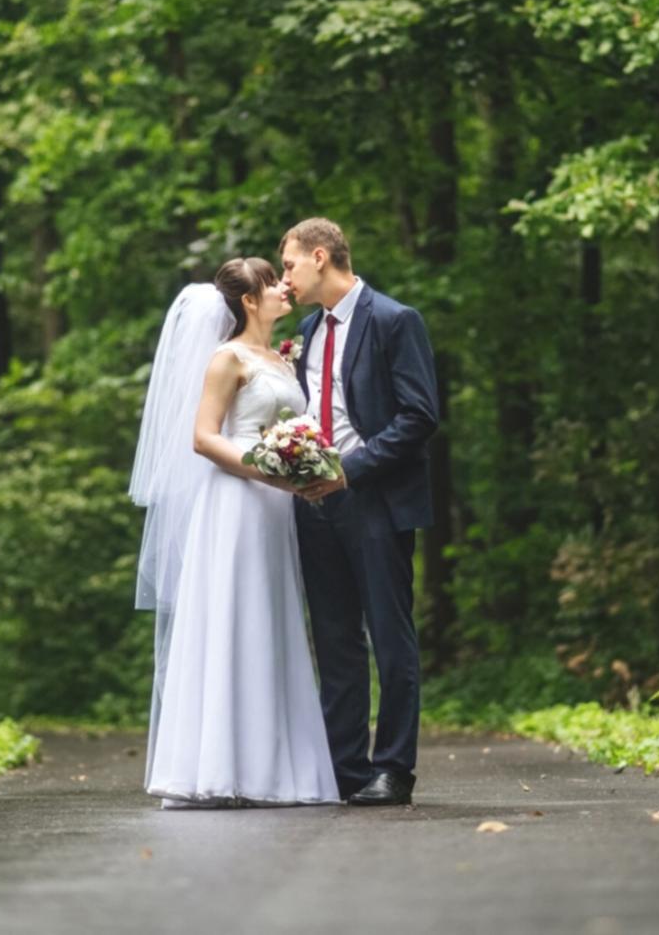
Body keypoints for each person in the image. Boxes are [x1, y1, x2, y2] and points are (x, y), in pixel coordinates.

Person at [131, 257, 339, 808]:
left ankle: (272, 770)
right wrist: (271, 469)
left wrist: (298, 472)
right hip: (236, 505)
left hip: (275, 507)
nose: (283, 288)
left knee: (269, 622)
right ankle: (217, 769)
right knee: (234, 619)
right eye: (273, 282)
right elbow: (203, 438)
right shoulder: (227, 358)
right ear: (250, 300)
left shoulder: (280, 356)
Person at [281, 218, 439, 806]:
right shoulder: (305, 330)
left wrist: (352, 470)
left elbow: (419, 416)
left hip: (375, 498)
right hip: (314, 505)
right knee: (335, 639)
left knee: (391, 639)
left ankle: (394, 769)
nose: (286, 278)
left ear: (321, 257)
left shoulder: (395, 321)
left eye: (291, 264)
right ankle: (345, 770)